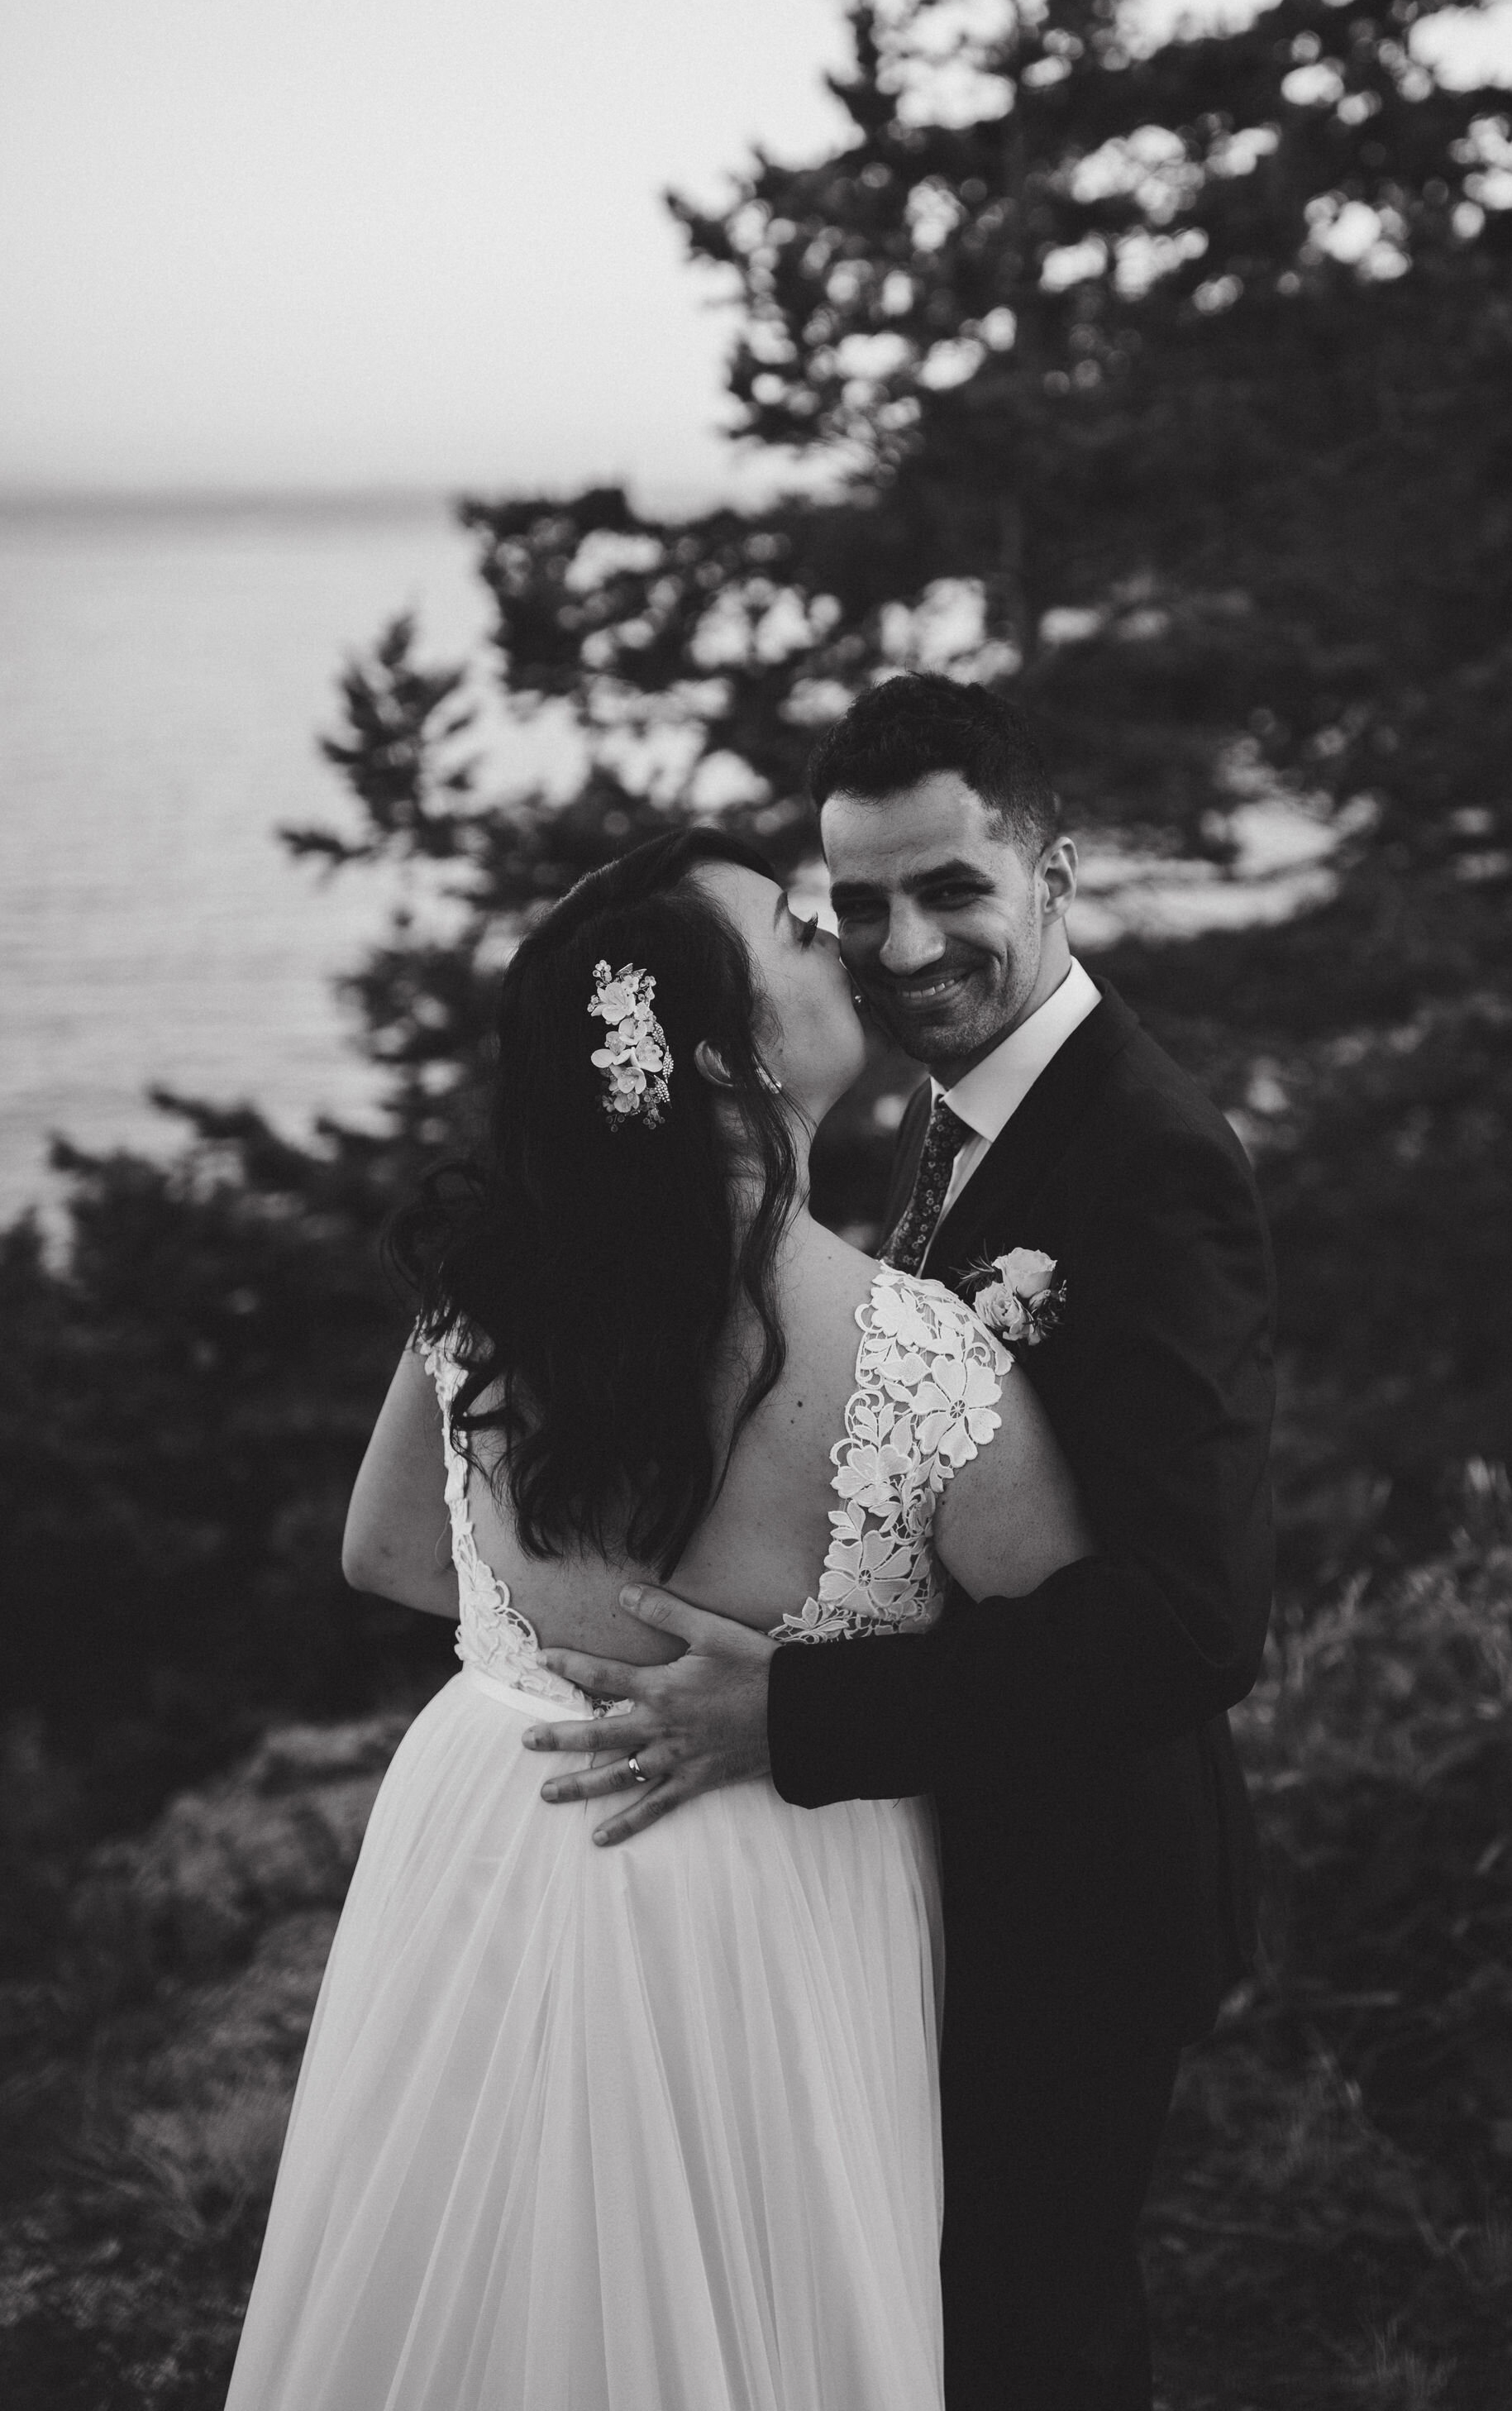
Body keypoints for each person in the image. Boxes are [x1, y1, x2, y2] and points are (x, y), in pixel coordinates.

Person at [225, 826, 1091, 2411]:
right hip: (771, 1887)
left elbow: (389, 1553)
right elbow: (1075, 1657)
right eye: (800, 935)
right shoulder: (916, 1359)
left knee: (475, 2286)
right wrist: (811, 1687)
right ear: (715, 1053)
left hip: (492, 1829)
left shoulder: (487, 1299)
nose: (847, 946)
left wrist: (543, 1645)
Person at [526, 679, 1277, 2411]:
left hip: (1082, 1881)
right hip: (943, 1850)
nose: (903, 943)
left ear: (1057, 874)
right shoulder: (952, 1110)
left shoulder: (1147, 1162)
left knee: (1032, 2338)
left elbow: (1188, 1623)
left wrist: (789, 1716)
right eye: (857, 904)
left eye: (953, 889)